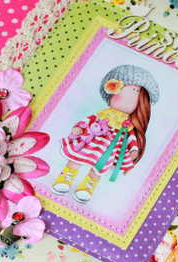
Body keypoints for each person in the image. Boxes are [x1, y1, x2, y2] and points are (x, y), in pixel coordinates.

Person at [51, 65, 159, 203]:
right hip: (91, 140)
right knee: (77, 156)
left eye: (136, 94)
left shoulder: (127, 124)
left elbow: (131, 138)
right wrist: (78, 129)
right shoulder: (103, 114)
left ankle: (87, 187)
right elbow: (90, 120)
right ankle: (65, 178)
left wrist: (133, 150)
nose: (129, 98)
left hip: (109, 149)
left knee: (100, 166)